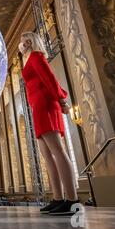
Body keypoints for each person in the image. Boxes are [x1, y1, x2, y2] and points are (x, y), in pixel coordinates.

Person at [19, 31, 79, 215]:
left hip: (45, 104)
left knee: (58, 152)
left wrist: (61, 100)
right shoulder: (30, 59)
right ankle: (58, 198)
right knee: (47, 155)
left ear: (29, 42)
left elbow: (50, 79)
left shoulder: (37, 56)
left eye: (22, 42)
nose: (20, 46)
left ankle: (72, 199)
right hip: (38, 106)